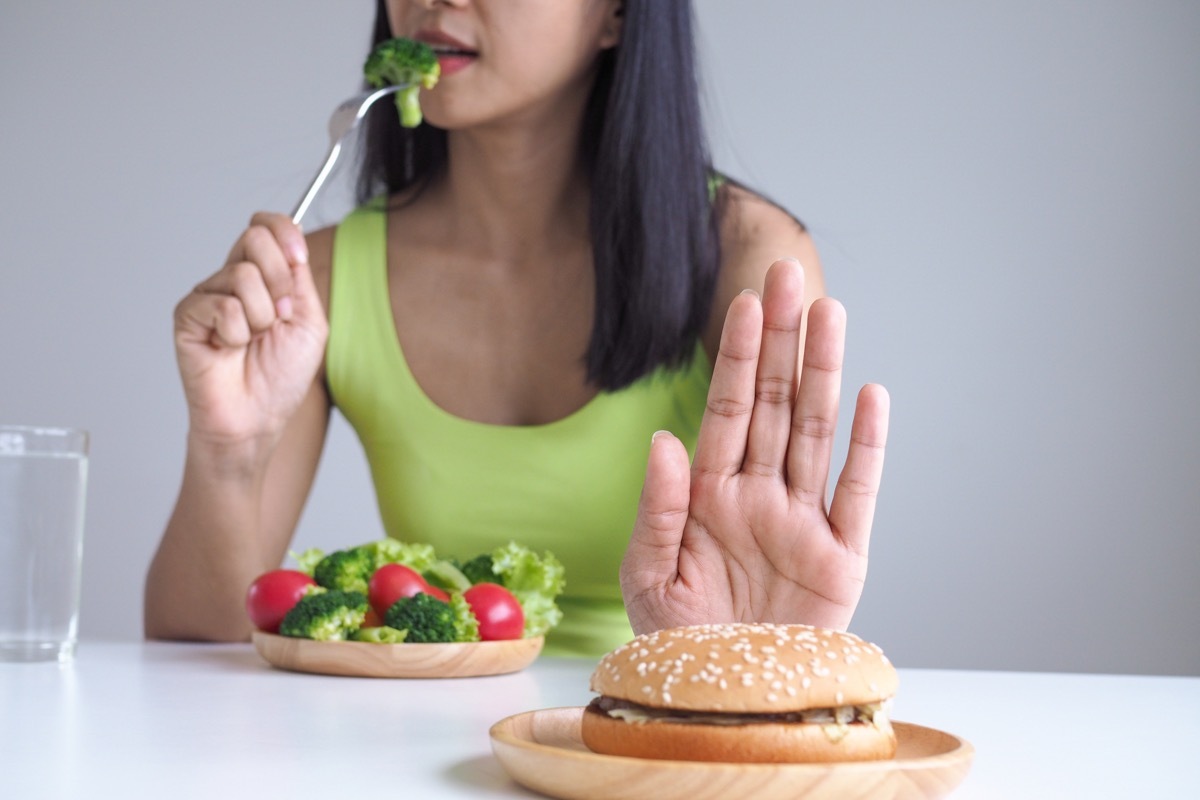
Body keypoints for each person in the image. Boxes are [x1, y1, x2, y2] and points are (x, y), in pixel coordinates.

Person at [145, 0, 889, 658]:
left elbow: (773, 601)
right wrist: (228, 452)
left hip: (669, 727)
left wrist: (757, 639)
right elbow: (193, 647)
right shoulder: (321, 277)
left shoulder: (745, 256)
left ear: (618, 13)